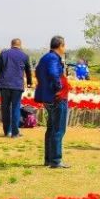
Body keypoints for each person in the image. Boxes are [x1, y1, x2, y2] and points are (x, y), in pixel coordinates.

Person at [0, 38, 34, 139]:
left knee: (5, 108)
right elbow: (28, 71)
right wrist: (30, 83)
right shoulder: (24, 56)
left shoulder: (4, 54)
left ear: (11, 45)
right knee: (16, 108)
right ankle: (15, 133)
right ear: (20, 45)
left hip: (4, 85)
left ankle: (7, 131)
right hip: (17, 86)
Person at [34, 36, 68, 169]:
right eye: (64, 46)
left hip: (47, 97)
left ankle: (49, 158)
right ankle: (56, 160)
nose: (65, 48)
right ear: (60, 45)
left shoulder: (45, 57)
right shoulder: (54, 58)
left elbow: (37, 72)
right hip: (56, 98)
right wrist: (59, 87)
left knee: (51, 128)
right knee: (58, 129)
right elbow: (54, 74)